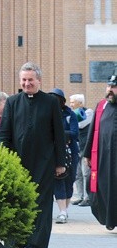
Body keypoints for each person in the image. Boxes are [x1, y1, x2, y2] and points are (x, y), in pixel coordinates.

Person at [0, 62, 66, 248]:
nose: (27, 83)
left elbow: (59, 134)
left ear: (39, 80)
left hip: (44, 163)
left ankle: (34, 247)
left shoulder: (51, 102)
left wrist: (60, 162)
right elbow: (4, 133)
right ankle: (17, 243)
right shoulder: (12, 102)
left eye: (30, 80)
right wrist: (4, 158)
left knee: (41, 204)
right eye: (24, 80)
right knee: (17, 200)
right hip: (17, 162)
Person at [82, 74, 117, 230]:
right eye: (108, 86)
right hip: (104, 158)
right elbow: (93, 130)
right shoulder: (101, 106)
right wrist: (88, 153)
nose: (110, 90)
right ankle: (109, 219)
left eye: (114, 87)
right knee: (100, 187)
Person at [49, 88, 79, 224]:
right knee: (59, 179)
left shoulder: (69, 114)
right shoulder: (47, 114)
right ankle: (62, 211)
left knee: (69, 180)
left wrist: (59, 134)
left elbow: (74, 133)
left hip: (70, 153)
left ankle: (64, 210)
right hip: (54, 152)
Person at [70, 93, 93, 206]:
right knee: (77, 173)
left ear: (80, 103)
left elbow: (80, 125)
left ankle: (87, 197)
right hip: (76, 147)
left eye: (73, 102)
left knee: (85, 173)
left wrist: (70, 120)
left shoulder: (89, 112)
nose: (71, 105)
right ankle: (80, 195)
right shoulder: (72, 114)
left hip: (85, 147)